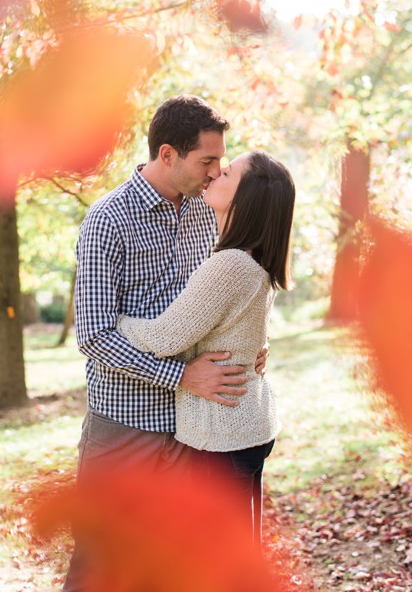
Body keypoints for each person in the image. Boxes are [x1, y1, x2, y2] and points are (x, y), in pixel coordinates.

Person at [65, 95, 266, 590]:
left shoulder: (206, 210)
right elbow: (94, 335)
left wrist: (250, 346)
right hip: (125, 426)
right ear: (168, 155)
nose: (217, 172)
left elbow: (220, 298)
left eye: (222, 161)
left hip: (192, 429)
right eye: (207, 161)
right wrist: (183, 375)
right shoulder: (108, 220)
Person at [117, 150, 294, 544]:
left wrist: (113, 321)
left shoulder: (229, 264)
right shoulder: (252, 261)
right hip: (244, 427)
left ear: (245, 196)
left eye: (227, 172)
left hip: (224, 437)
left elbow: (164, 338)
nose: (215, 173)